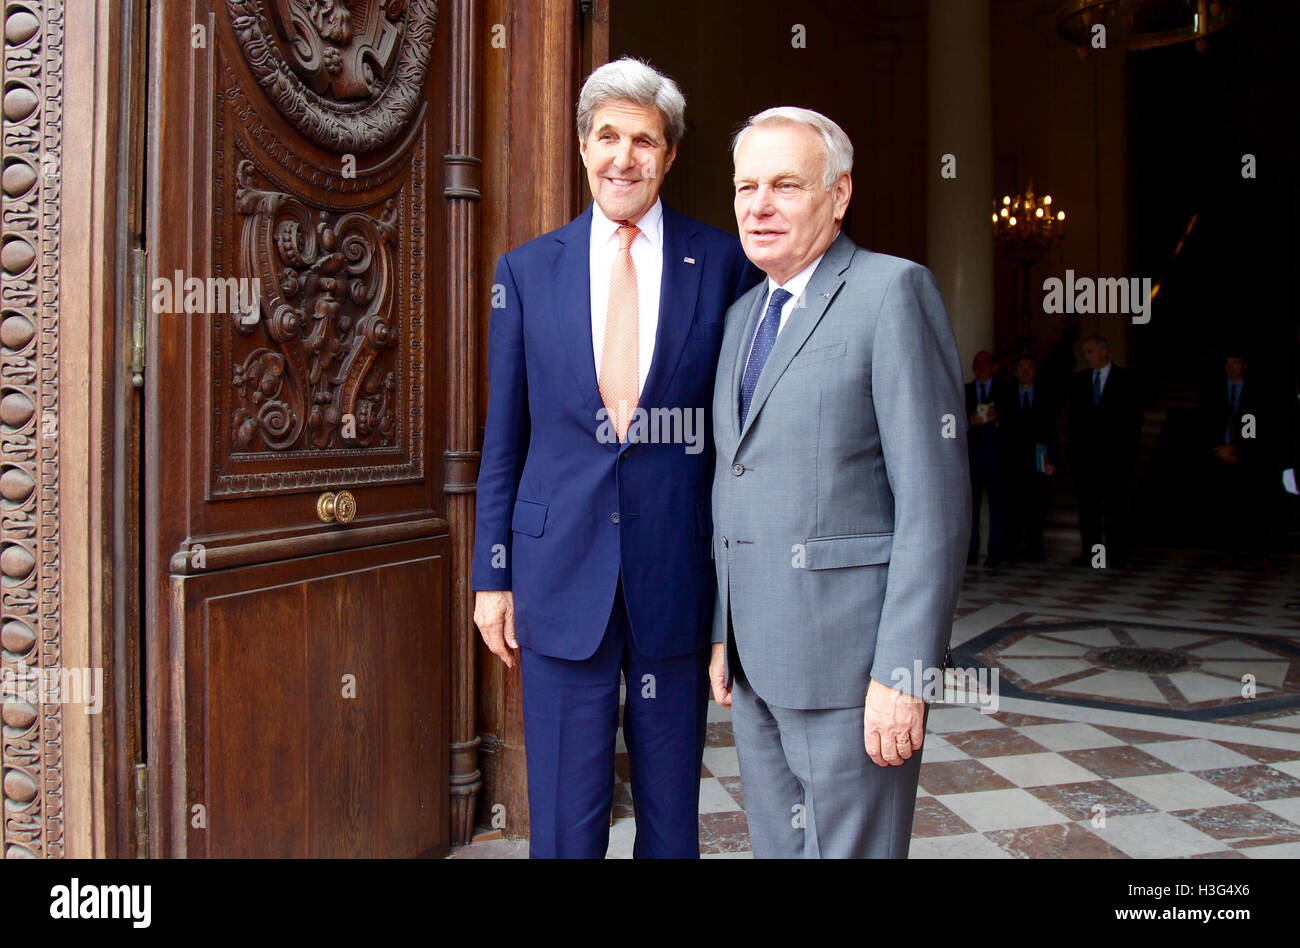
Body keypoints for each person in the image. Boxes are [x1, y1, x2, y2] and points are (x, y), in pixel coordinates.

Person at [471, 58, 759, 858]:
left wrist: (736, 594)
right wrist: (491, 574)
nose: (624, 157)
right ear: (582, 145)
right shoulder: (528, 272)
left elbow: (740, 439)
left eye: (644, 140)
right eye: (608, 136)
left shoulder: (725, 263)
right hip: (556, 573)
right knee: (564, 821)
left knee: (672, 823)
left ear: (669, 156)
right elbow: (506, 437)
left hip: (676, 574)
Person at [708, 107, 969, 858]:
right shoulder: (740, 319)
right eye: (745, 186)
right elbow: (737, 482)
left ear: (839, 193)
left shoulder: (892, 293)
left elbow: (935, 506)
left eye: (786, 185)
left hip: (854, 670)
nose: (759, 206)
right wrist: (725, 632)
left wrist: (904, 670)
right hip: (758, 664)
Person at [1066, 334, 1142, 568]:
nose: (1087, 357)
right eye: (1085, 352)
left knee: (1116, 509)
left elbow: (1133, 422)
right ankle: (1093, 555)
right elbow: (1073, 422)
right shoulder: (1079, 381)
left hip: (1115, 459)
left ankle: (1119, 555)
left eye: (1090, 352)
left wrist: (1127, 456)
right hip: (1086, 460)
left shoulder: (1126, 380)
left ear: (1104, 352)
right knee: (1089, 511)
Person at [1198, 351, 1275, 571]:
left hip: (1248, 458)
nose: (1231, 368)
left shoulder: (1257, 392)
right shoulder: (1214, 391)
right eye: (1227, 364)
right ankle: (1229, 553)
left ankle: (1260, 554)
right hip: (1219, 455)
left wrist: (1237, 449)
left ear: (1244, 366)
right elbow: (1206, 422)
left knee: (1254, 507)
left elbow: (1260, 426)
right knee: (1225, 507)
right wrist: (1219, 449)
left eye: (1235, 363)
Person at [965, 350, 1015, 566]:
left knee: (998, 506)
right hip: (972, 458)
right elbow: (949, 421)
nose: (981, 366)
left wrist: (997, 420)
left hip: (997, 457)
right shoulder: (964, 391)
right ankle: (971, 551)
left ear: (995, 366)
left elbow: (1017, 422)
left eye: (986, 362)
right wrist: (969, 422)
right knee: (971, 507)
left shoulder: (1006, 390)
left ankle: (996, 552)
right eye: (978, 362)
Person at [1005, 356, 1057, 562]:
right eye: (1021, 368)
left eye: (1029, 367)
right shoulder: (1007, 394)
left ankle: (1035, 549)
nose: (1025, 372)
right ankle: (1013, 549)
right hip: (1013, 460)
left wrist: (1052, 460)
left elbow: (1052, 431)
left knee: (1037, 506)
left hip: (1038, 459)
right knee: (1014, 506)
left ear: (1035, 371)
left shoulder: (1046, 395)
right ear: (1015, 372)